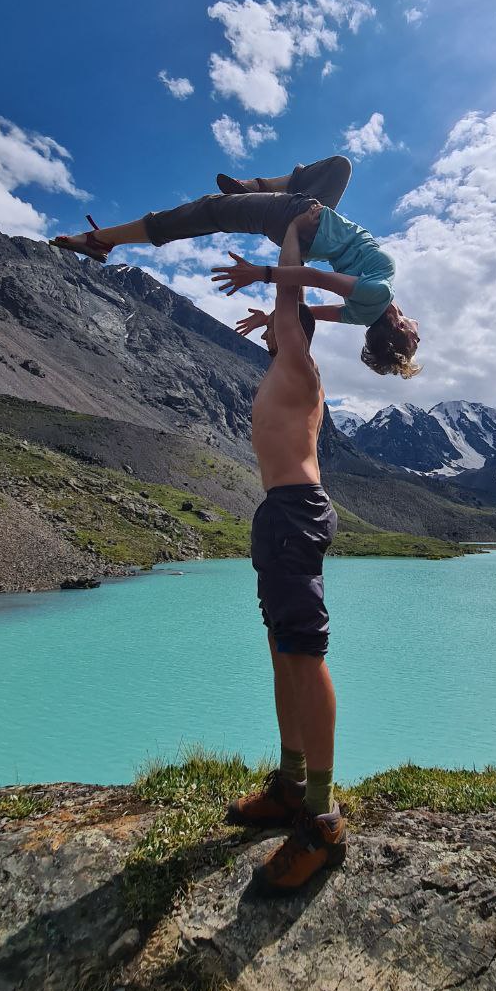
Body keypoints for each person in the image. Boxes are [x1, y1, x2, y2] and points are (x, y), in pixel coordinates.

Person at [224, 215, 347, 895]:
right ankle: (293, 785)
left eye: (281, 322)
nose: (272, 325)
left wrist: (292, 235)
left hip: (295, 513)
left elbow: (292, 301)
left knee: (304, 654)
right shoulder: (284, 360)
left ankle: (323, 817)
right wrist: (271, 318)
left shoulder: (299, 360)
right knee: (283, 649)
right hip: (282, 514)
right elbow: (285, 313)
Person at [49, 157, 420, 378]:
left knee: (208, 211)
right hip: (313, 222)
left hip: (300, 219)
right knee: (338, 169)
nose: (420, 331)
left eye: (415, 338)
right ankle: (253, 186)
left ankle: (105, 240)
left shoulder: (379, 292)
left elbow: (315, 277)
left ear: (401, 328)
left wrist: (261, 273)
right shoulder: (362, 313)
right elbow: (308, 312)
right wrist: (270, 319)